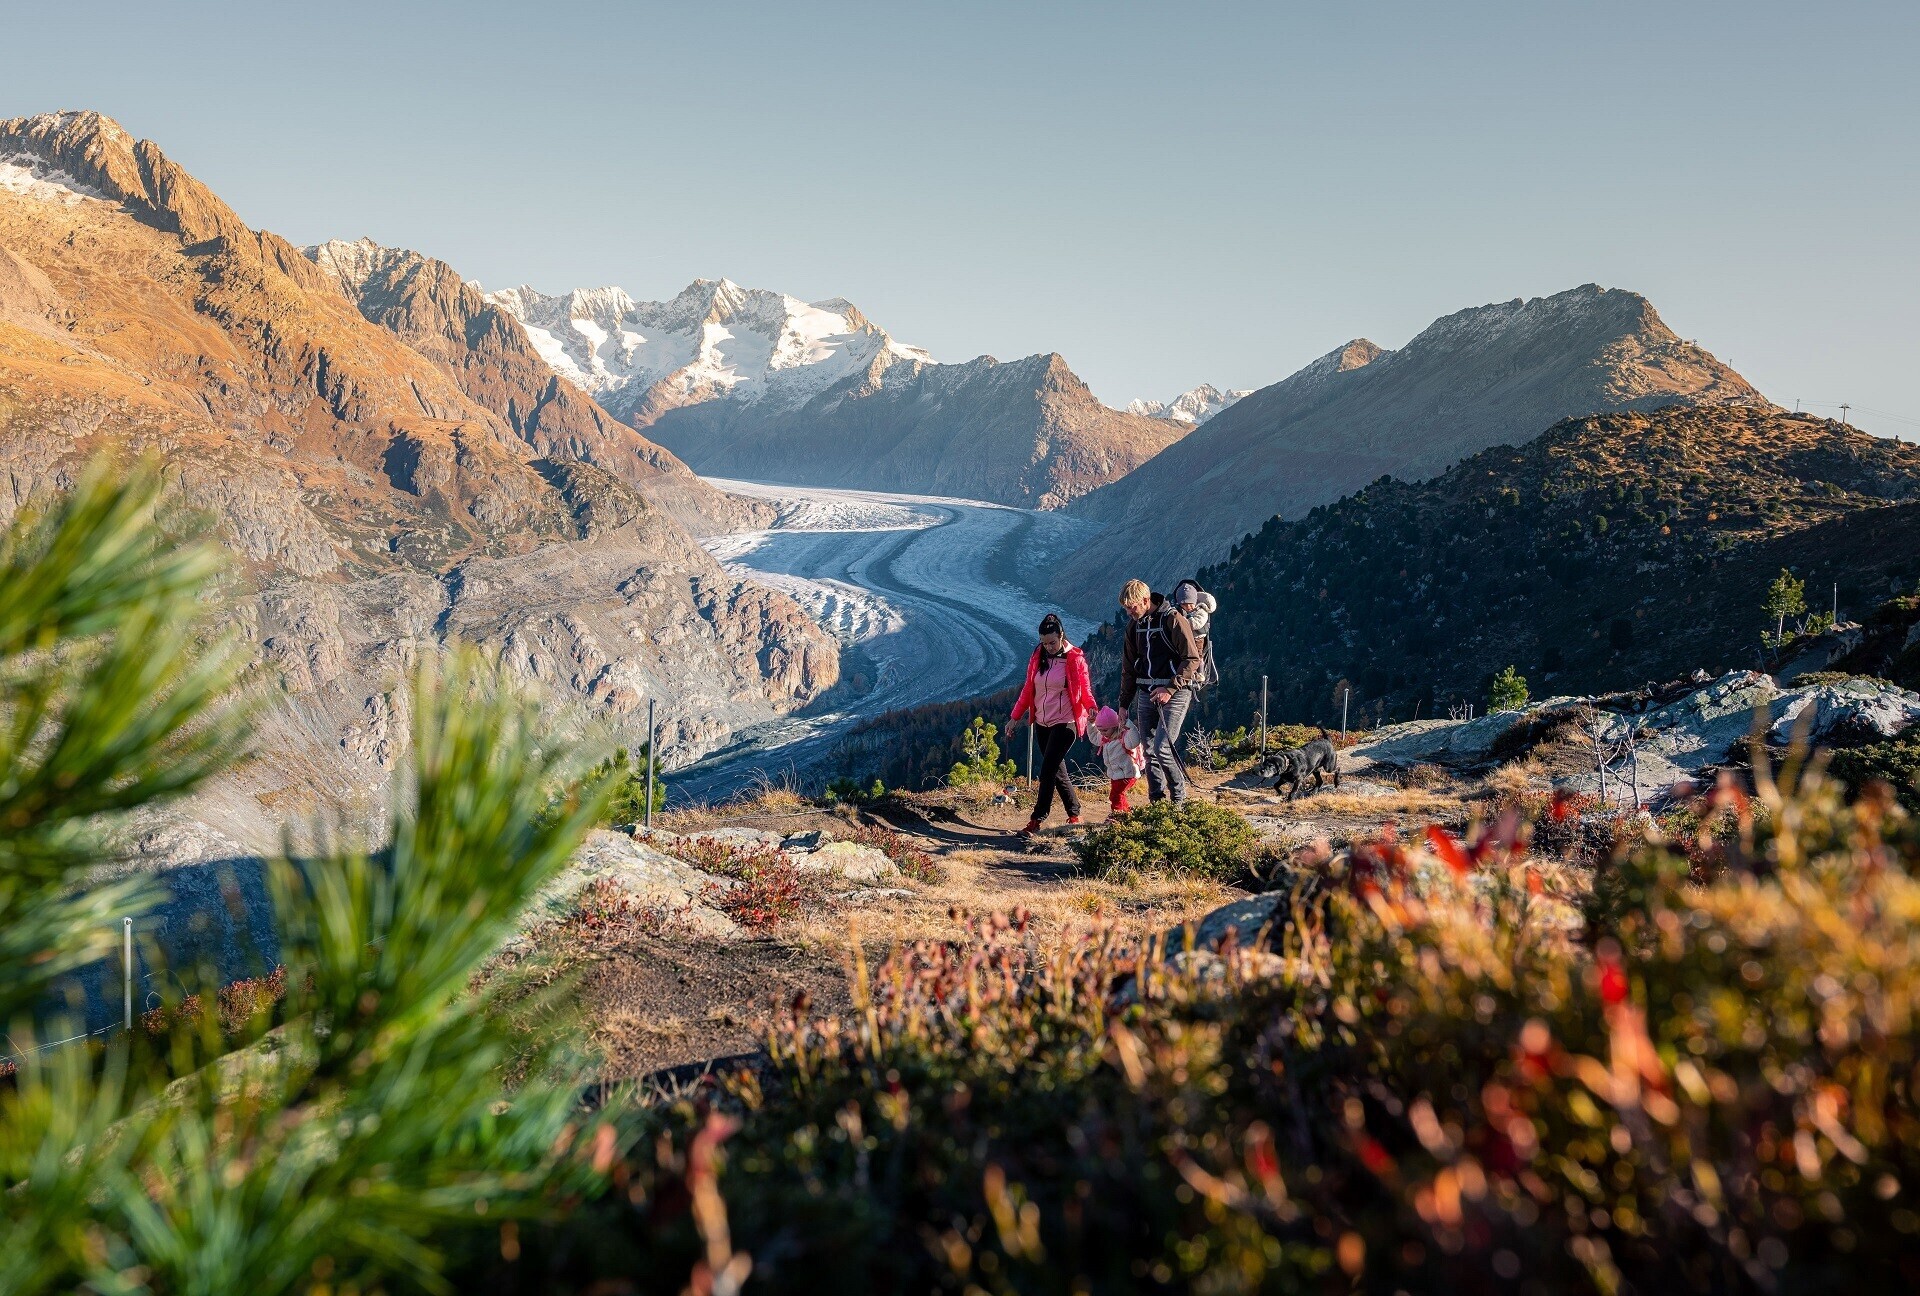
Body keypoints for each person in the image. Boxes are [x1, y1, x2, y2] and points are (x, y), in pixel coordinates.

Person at [1008, 612, 1095, 836]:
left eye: (1052, 642)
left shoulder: (1075, 658)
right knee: (1057, 770)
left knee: (1047, 770)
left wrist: (1092, 707)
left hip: (1066, 723)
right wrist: (1014, 718)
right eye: (1044, 642)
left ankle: (1037, 819)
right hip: (1042, 723)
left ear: (1061, 636)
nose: (1048, 646)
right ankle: (1075, 813)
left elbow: (1084, 690)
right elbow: (1029, 689)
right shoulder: (1038, 656)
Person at [1117, 578, 1201, 805]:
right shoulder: (1134, 626)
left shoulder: (1173, 619)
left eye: (1132, 607)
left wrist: (1170, 688)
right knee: (1148, 751)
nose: (1129, 612)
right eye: (1126, 608)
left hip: (1175, 691)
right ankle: (1157, 802)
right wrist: (1123, 704)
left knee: (1162, 747)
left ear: (1145, 600)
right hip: (1146, 691)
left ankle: (1178, 800)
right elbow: (1128, 668)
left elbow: (1192, 659)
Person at [1093, 705, 1145, 817]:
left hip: (1127, 773)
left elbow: (1135, 741)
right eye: (1100, 730)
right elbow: (1093, 737)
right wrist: (1091, 724)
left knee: (1115, 795)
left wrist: (1128, 724)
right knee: (1119, 794)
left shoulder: (1124, 737)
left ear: (1115, 726)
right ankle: (1126, 813)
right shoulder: (1105, 738)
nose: (1102, 733)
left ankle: (1117, 815)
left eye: (1105, 730)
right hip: (1117, 774)